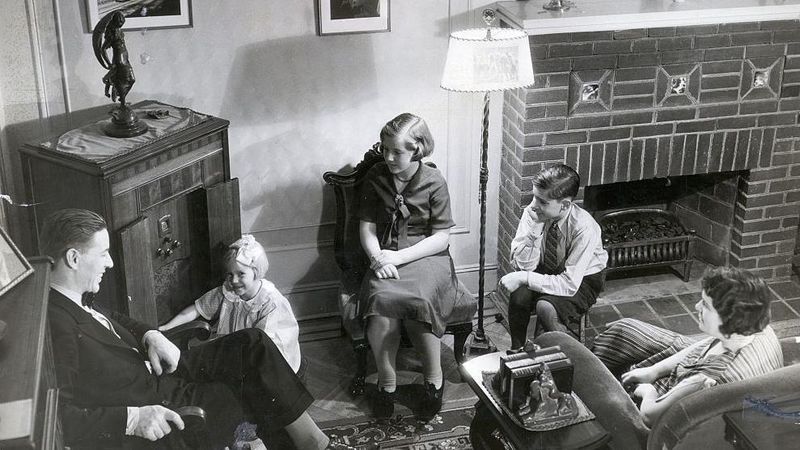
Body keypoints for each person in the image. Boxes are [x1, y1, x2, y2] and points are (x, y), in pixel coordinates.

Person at [41, 208, 351, 450]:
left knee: (252, 344)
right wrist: (133, 418)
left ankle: (313, 443)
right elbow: (58, 418)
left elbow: (119, 320)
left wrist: (152, 335)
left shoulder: (73, 297)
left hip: (158, 370)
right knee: (253, 387)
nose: (109, 263)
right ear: (73, 258)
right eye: (103, 253)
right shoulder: (57, 324)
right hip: (157, 400)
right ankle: (315, 445)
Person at [357, 113, 472, 420]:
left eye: (398, 151)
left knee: (419, 303)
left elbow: (441, 237)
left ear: (418, 149)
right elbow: (366, 228)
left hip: (426, 258)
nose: (389, 157)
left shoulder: (433, 180)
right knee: (380, 304)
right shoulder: (375, 176)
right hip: (384, 257)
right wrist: (377, 258)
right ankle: (387, 384)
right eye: (385, 149)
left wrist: (399, 258)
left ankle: (434, 380)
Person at [591, 266, 783, 427]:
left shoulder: (708, 380)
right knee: (626, 329)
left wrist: (648, 391)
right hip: (685, 370)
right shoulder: (756, 327)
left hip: (665, 402)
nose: (697, 306)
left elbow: (650, 417)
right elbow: (707, 343)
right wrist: (654, 370)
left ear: (730, 320)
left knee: (602, 389)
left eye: (706, 305)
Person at [159, 235, 303, 376]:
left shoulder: (269, 302)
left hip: (267, 352)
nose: (234, 280)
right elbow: (197, 309)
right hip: (240, 349)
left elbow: (262, 344)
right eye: (229, 274)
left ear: (256, 272)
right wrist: (167, 327)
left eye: (241, 274)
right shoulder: (229, 290)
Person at [498, 164, 608, 350]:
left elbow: (569, 283)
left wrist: (524, 277)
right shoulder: (534, 213)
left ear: (565, 204)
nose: (534, 205)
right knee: (520, 293)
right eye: (534, 197)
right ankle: (517, 351)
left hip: (583, 278)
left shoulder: (584, 227)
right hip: (546, 266)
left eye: (542, 201)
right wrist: (534, 229)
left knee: (545, 307)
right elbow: (524, 265)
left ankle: (571, 356)